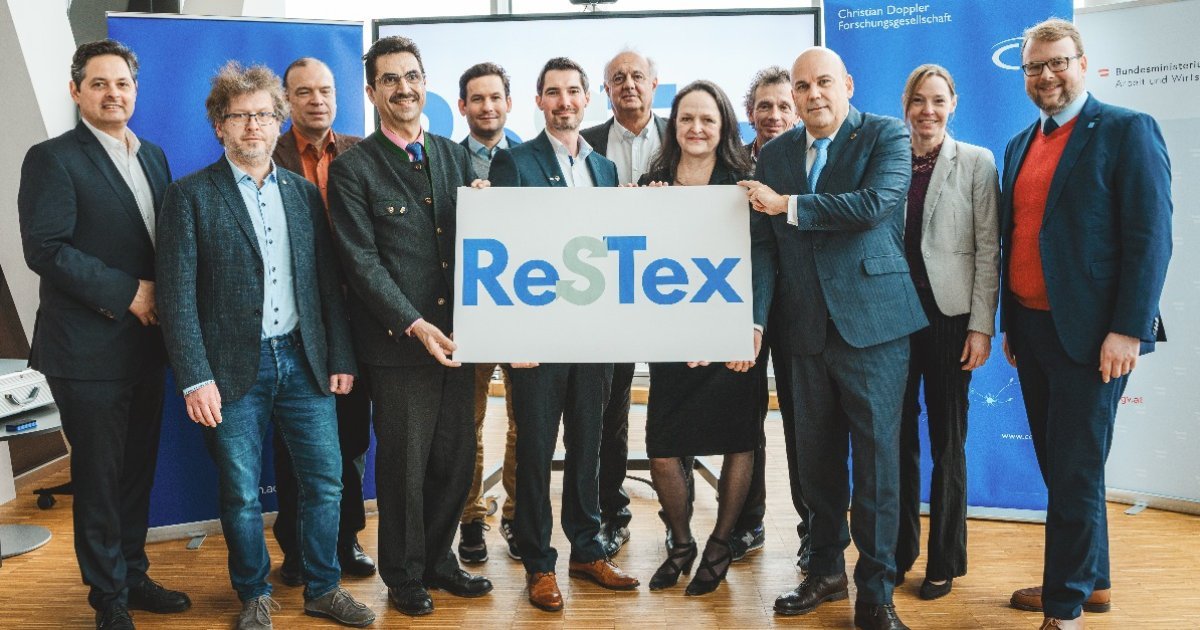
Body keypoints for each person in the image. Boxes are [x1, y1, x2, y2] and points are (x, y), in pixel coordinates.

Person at [156, 62, 374, 630]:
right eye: (240, 116)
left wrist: (340, 357)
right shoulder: (189, 196)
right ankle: (254, 594)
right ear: (219, 126)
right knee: (240, 494)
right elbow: (177, 299)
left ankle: (324, 588)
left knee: (326, 482)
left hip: (305, 361)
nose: (253, 126)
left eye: (263, 115)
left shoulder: (302, 195)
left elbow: (325, 285)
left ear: (279, 122)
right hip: (230, 372)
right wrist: (195, 378)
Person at [741, 47, 923, 630]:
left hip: (874, 328)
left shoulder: (886, 135)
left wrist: (790, 205)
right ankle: (823, 572)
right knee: (814, 465)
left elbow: (874, 206)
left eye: (823, 82)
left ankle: (876, 592)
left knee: (876, 466)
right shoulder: (775, 153)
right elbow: (765, 247)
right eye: (802, 86)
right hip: (803, 331)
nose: (813, 94)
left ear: (847, 83)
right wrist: (756, 320)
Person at [1000, 19, 1171, 630]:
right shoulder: (1020, 144)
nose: (1045, 75)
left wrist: (1128, 328)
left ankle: (1064, 606)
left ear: (1082, 63)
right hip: (1032, 329)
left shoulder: (1126, 130)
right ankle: (1092, 583)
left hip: (1095, 337)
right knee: (1063, 468)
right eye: (1034, 66)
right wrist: (1011, 324)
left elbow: (1151, 238)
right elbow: (1017, 237)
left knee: (1073, 471)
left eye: (1057, 62)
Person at [17, 38, 191, 630]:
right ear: (76, 91)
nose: (112, 93)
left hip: (147, 346)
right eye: (99, 83)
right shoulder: (52, 158)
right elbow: (45, 248)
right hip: (87, 350)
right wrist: (130, 293)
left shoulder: (154, 156)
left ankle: (133, 574)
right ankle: (107, 597)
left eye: (122, 83)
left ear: (135, 91)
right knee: (99, 477)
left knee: (137, 470)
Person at [326, 36, 492, 617]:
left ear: (426, 83)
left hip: (462, 338)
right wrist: (415, 324)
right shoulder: (352, 169)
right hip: (400, 347)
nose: (404, 88)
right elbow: (361, 263)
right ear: (371, 91)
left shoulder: (453, 155)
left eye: (413, 76)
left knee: (454, 459)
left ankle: (439, 561)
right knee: (403, 468)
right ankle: (402, 574)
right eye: (391, 79)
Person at [488, 56, 640, 612]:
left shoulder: (604, 169)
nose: (565, 102)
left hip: (592, 332)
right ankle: (538, 562)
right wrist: (511, 335)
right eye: (553, 92)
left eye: (573, 91)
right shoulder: (514, 161)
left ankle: (587, 550)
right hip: (537, 337)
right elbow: (501, 249)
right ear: (539, 101)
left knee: (588, 445)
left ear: (587, 98)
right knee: (534, 450)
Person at [637, 80, 758, 597]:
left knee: (738, 439)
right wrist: (636, 208)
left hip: (731, 334)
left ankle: (721, 544)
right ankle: (682, 542)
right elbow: (635, 255)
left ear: (724, 125)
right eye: (686, 118)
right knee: (662, 446)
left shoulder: (745, 183)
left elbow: (762, 259)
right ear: (674, 125)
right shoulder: (653, 182)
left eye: (708, 118)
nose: (696, 128)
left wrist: (750, 328)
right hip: (672, 336)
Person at [893, 63, 1000, 601]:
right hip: (893, 319)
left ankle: (944, 560)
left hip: (950, 320)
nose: (927, 111)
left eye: (938, 100)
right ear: (906, 106)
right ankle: (898, 553)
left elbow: (988, 249)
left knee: (948, 441)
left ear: (953, 103)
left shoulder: (976, 162)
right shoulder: (889, 157)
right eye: (919, 100)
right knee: (896, 442)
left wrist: (981, 326)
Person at [269, 56, 374, 586]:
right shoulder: (267, 154)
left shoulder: (362, 151)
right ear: (286, 100)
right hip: (296, 321)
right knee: (298, 440)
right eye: (304, 92)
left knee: (351, 439)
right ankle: (296, 546)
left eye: (325, 90)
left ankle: (345, 537)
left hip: (359, 320)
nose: (317, 100)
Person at [579, 48, 668, 555]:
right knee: (608, 414)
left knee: (674, 405)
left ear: (655, 83)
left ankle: (680, 520)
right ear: (606, 89)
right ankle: (611, 512)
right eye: (618, 78)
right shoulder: (584, 142)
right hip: (605, 295)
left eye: (637, 75)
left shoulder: (682, 135)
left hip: (671, 291)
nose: (628, 84)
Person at [733, 65, 810, 568]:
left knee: (804, 420)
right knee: (746, 418)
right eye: (765, 106)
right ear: (749, 112)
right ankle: (748, 522)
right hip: (743, 307)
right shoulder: (732, 162)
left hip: (802, 308)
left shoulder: (810, 160)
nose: (775, 115)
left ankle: (812, 528)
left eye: (785, 105)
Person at [454, 61, 521, 564]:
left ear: (509, 103)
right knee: (468, 424)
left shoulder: (531, 159)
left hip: (525, 310)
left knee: (526, 424)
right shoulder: (447, 161)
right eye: (477, 98)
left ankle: (517, 516)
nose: (487, 107)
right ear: (462, 106)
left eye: (495, 97)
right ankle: (471, 519)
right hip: (469, 312)